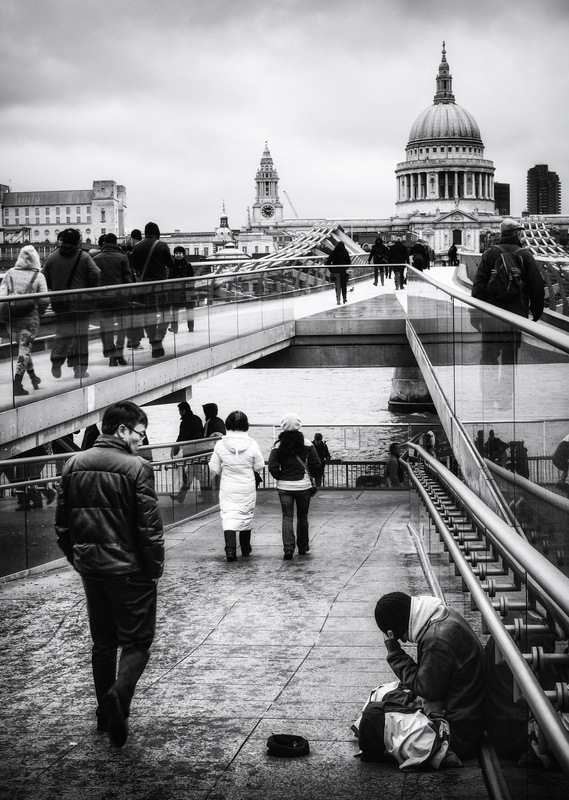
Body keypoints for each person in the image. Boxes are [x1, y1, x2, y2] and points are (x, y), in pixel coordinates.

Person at [55, 400, 164, 748]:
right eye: (139, 435)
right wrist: (154, 569)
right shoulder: (137, 468)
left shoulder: (73, 463)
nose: (140, 442)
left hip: (91, 569)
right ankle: (119, 696)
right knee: (137, 642)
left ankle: (103, 714)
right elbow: (149, 528)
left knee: (103, 643)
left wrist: (80, 559)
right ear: (122, 430)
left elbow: (62, 526)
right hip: (130, 570)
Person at [374, 592, 485, 760]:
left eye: (399, 636)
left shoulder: (435, 639)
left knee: (373, 718)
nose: (403, 641)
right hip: (465, 713)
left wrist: (395, 653)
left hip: (457, 733)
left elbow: (426, 690)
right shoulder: (442, 613)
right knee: (381, 697)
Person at [42, 228, 101, 379]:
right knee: (81, 336)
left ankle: (57, 358)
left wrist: (54, 287)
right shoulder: (84, 256)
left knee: (63, 332)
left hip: (61, 303)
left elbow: (43, 276)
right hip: (81, 303)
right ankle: (80, 370)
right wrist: (90, 290)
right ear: (78, 241)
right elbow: (96, 273)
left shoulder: (52, 257)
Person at [208, 410, 265, 561]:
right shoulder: (252, 444)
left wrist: (223, 468)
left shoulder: (220, 444)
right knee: (246, 513)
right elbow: (259, 465)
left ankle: (230, 550)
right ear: (246, 425)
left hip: (228, 485)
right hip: (247, 484)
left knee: (228, 515)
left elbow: (214, 468)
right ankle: (245, 548)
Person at [268, 413, 321, 559]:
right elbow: (316, 463)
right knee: (303, 517)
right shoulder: (307, 444)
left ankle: (288, 549)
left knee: (287, 517)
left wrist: (280, 477)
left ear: (283, 427)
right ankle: (303, 547)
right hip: (303, 486)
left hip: (285, 486)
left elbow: (272, 467)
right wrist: (309, 473)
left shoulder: (278, 446)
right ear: (299, 426)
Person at [0, 245, 49, 396]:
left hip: (12, 318)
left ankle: (33, 377)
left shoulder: (9, 273)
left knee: (23, 349)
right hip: (30, 318)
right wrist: (38, 312)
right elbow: (44, 300)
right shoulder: (38, 275)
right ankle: (17, 384)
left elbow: (2, 295)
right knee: (25, 349)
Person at [472, 219, 544, 321]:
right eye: (520, 233)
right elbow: (536, 286)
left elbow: (479, 283)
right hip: (518, 309)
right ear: (516, 233)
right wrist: (536, 313)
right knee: (515, 336)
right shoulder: (525, 255)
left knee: (491, 336)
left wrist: (478, 312)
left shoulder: (489, 253)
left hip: (492, 309)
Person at [130, 221, 174, 358]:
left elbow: (135, 265)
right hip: (160, 286)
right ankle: (159, 337)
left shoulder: (137, 247)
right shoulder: (162, 246)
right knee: (165, 312)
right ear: (157, 232)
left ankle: (155, 344)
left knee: (150, 316)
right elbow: (170, 264)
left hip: (144, 287)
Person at [92, 233, 133, 366]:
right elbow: (128, 278)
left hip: (103, 298)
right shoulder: (122, 257)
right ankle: (119, 351)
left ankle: (111, 355)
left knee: (108, 326)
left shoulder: (96, 258)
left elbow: (94, 280)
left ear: (104, 243)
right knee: (122, 325)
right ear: (115, 243)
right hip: (120, 297)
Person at [170, 402, 204, 503]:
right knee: (194, 475)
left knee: (194, 475)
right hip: (200, 452)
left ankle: (208, 497)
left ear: (184, 410)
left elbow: (182, 437)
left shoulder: (185, 421)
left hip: (190, 453)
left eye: (180, 411)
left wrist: (174, 449)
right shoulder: (197, 419)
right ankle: (181, 497)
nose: (179, 413)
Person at [169, 246, 196, 333]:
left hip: (186, 290)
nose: (178, 255)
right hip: (176, 291)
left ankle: (191, 327)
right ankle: (174, 328)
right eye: (176, 253)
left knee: (189, 309)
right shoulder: (172, 266)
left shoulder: (188, 266)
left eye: (180, 253)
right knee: (175, 309)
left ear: (183, 254)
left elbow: (192, 278)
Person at [125, 229, 144, 351]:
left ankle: (130, 340)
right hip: (138, 287)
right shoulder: (140, 251)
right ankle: (135, 342)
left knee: (129, 315)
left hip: (127, 288)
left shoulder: (126, 254)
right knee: (137, 315)